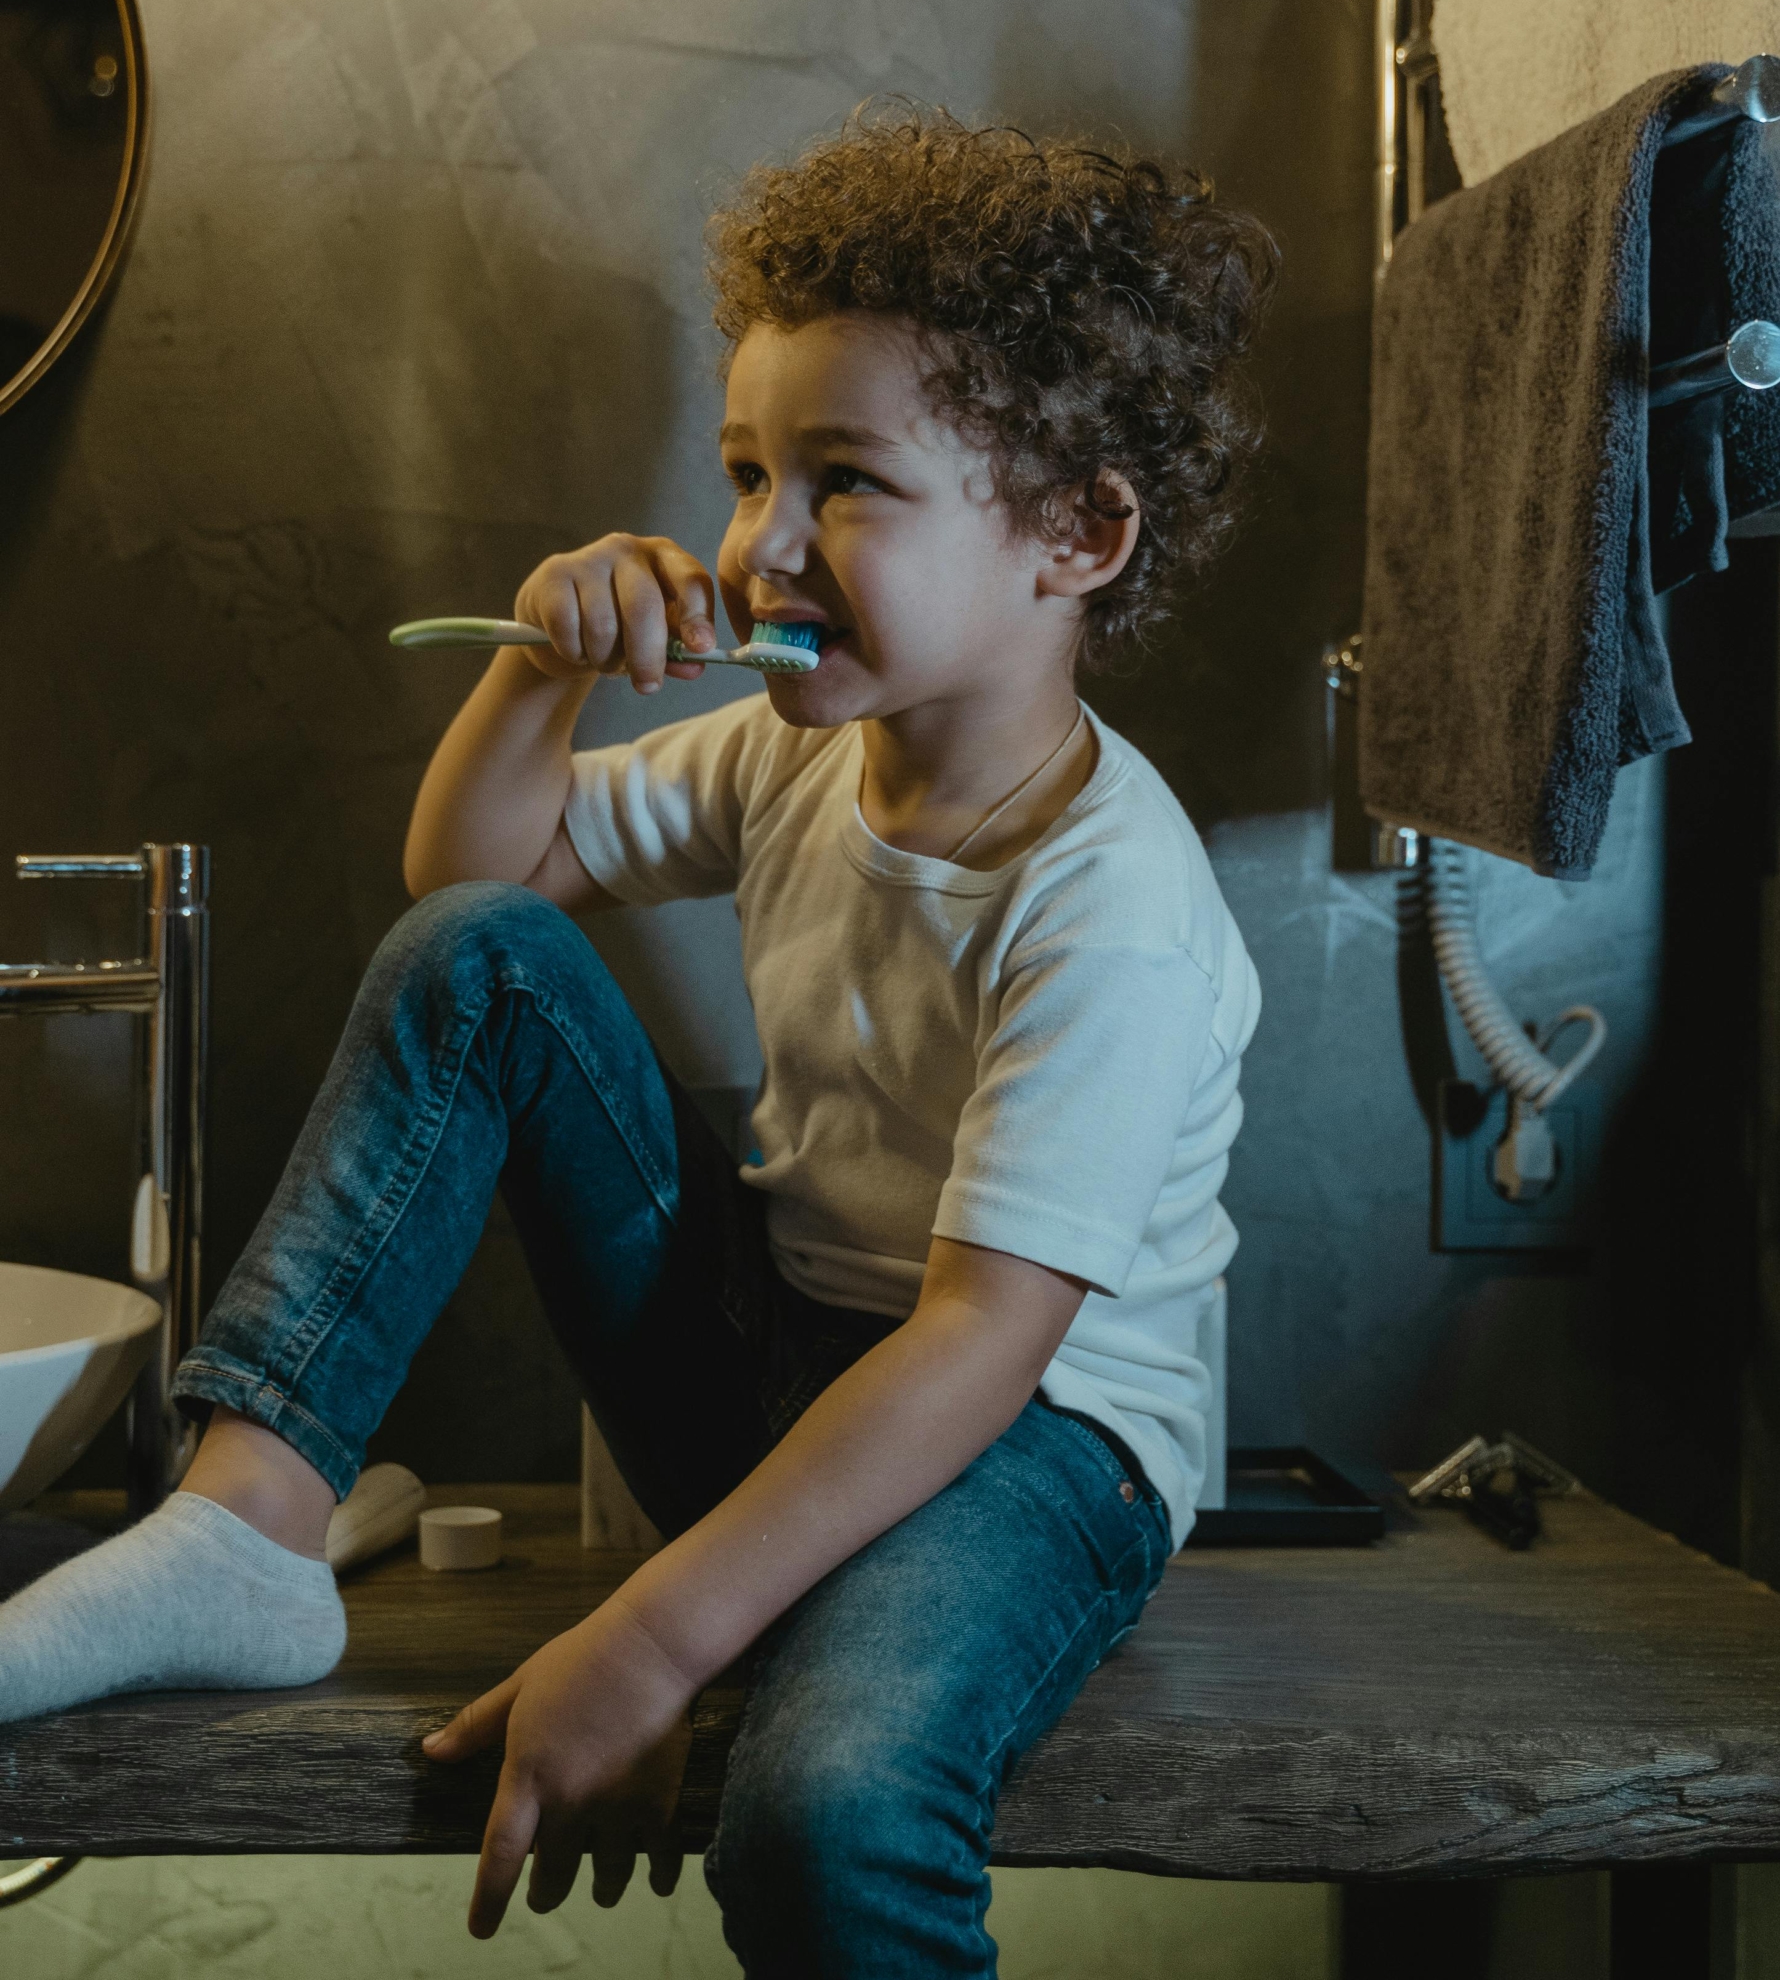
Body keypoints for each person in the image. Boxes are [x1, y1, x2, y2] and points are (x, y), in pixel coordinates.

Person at [0, 106, 1274, 1977]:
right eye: (748, 473)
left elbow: (983, 1344)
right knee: (484, 960)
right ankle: (251, 1527)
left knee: (830, 1817)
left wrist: (661, 1636)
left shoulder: (1115, 907)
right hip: (775, 1361)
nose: (756, 544)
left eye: (842, 483)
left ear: (1075, 534)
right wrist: (546, 665)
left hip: (1033, 1443)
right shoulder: (792, 745)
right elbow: (475, 874)